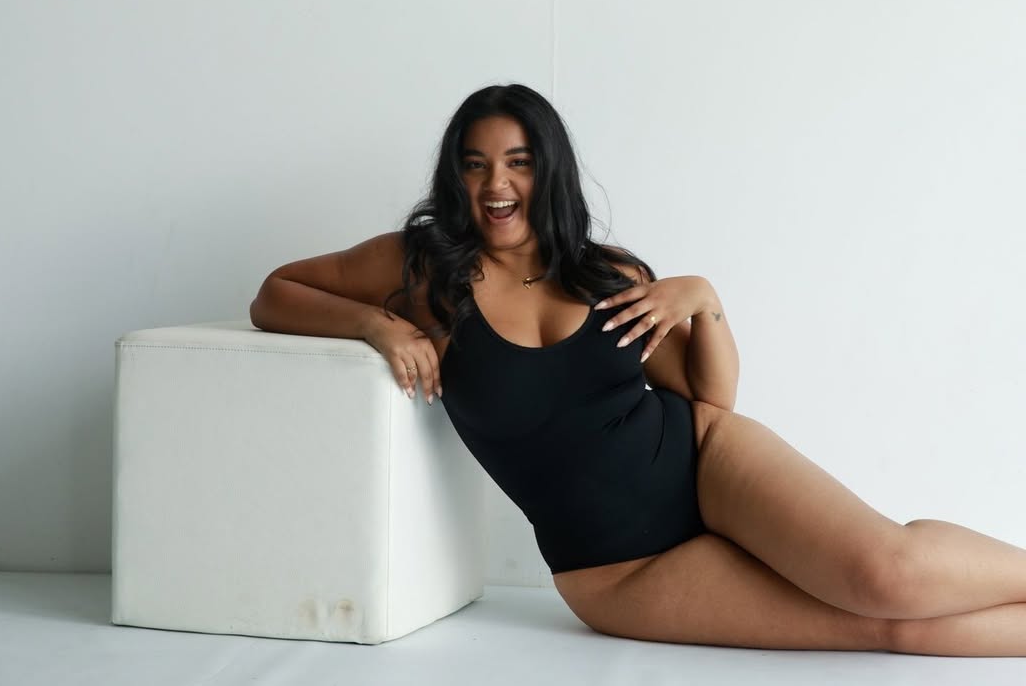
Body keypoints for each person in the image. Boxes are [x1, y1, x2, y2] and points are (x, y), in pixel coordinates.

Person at [249, 83, 1026, 657]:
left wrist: (705, 301)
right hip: (620, 572)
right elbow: (274, 292)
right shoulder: (424, 272)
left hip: (709, 463)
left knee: (889, 577)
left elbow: (712, 394)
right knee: (884, 629)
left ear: (549, 171)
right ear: (456, 176)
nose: (495, 185)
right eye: (475, 164)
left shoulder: (605, 272)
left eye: (518, 162)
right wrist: (376, 324)